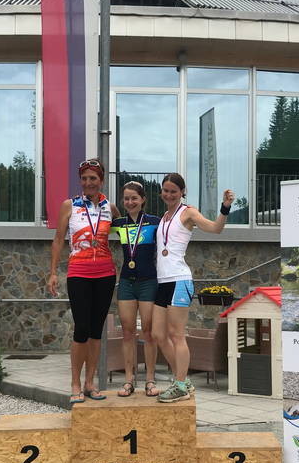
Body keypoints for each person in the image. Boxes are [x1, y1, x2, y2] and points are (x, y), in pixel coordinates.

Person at [151, 173, 234, 403]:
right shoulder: (164, 216)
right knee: (158, 334)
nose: (169, 195)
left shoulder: (188, 212)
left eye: (174, 191)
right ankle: (183, 380)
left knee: (177, 335)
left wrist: (225, 207)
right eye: (166, 191)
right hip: (163, 281)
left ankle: (179, 384)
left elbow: (216, 228)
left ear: (182, 192)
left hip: (179, 280)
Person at [47, 159, 120, 404]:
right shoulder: (69, 205)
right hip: (79, 272)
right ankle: (75, 383)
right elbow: (58, 239)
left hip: (105, 274)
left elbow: (126, 231)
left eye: (93, 178)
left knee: (96, 331)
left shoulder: (110, 207)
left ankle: (90, 383)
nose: (89, 183)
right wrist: (53, 272)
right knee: (81, 329)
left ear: (101, 181)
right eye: (85, 178)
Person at [111, 181, 161, 397]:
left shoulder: (155, 222)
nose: (130, 202)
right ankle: (129, 380)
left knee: (148, 332)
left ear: (143, 200)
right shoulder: (119, 224)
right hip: (126, 283)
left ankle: (150, 380)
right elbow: (104, 216)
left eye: (134, 198)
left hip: (148, 281)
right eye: (126, 198)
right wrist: (111, 207)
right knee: (127, 332)